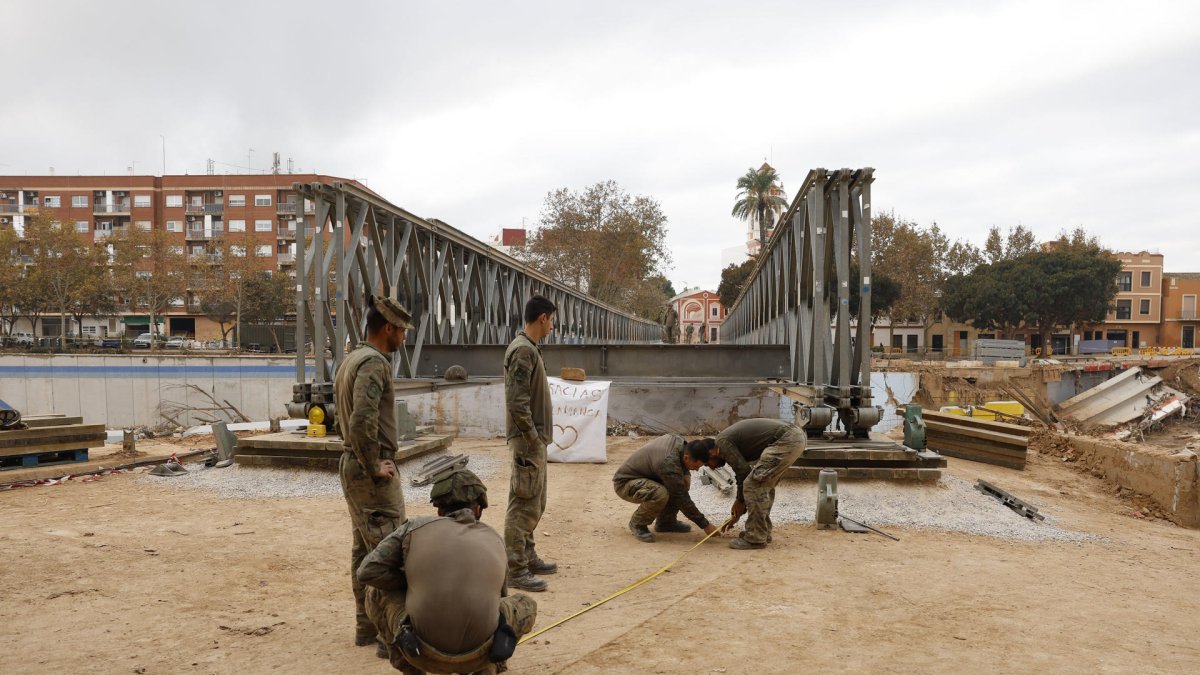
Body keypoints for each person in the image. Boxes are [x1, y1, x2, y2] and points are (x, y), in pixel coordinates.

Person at [359, 469, 538, 675]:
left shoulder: (413, 529)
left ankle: (409, 669)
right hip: (479, 654)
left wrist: (412, 581)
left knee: (375, 593)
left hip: (421, 654)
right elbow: (498, 599)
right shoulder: (495, 539)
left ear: (439, 512)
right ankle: (490, 667)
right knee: (525, 604)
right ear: (478, 509)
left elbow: (367, 572)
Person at [334, 294, 413, 650]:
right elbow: (362, 419)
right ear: (388, 329)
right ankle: (388, 634)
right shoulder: (375, 364)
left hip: (351, 464)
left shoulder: (351, 359)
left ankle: (366, 627)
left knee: (362, 553)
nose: (405, 338)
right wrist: (374, 465)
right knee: (390, 554)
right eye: (403, 331)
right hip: (370, 473)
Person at [503, 295, 558, 592]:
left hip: (533, 441)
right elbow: (517, 402)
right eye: (551, 320)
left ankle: (527, 555)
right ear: (543, 318)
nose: (552, 327)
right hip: (528, 442)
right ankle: (515, 568)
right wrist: (532, 438)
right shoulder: (523, 351)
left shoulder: (529, 348)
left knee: (535, 501)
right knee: (523, 505)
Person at [706, 418, 807, 549]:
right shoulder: (725, 441)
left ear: (712, 452)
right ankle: (762, 532)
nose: (712, 468)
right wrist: (739, 508)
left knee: (753, 485)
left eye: (707, 463)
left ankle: (755, 538)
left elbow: (743, 472)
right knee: (763, 485)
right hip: (793, 437)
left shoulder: (722, 443)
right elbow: (743, 471)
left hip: (786, 440)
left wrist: (739, 502)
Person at [612, 435, 719, 542]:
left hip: (646, 477)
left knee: (677, 484)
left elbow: (680, 469)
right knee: (661, 493)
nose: (696, 470)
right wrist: (705, 525)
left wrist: (686, 473)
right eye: (696, 466)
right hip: (625, 483)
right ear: (686, 458)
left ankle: (666, 522)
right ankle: (638, 524)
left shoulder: (681, 443)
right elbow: (681, 497)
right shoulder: (668, 463)